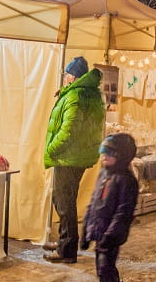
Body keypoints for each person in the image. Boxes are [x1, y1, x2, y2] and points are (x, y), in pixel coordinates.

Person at [44, 56, 106, 264]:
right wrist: (63, 94)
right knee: (64, 200)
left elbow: (69, 129)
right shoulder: (88, 93)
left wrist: (53, 149)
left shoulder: (76, 96)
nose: (63, 78)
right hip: (78, 155)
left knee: (64, 202)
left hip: (69, 157)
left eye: (65, 75)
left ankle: (67, 249)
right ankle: (65, 242)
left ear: (72, 76)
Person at [81, 133, 139, 282]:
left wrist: (111, 236)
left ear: (122, 156)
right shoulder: (104, 174)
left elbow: (123, 212)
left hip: (110, 236)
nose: (104, 157)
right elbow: (93, 203)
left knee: (106, 269)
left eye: (110, 153)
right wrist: (86, 230)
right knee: (102, 269)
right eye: (103, 152)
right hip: (99, 231)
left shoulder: (126, 181)